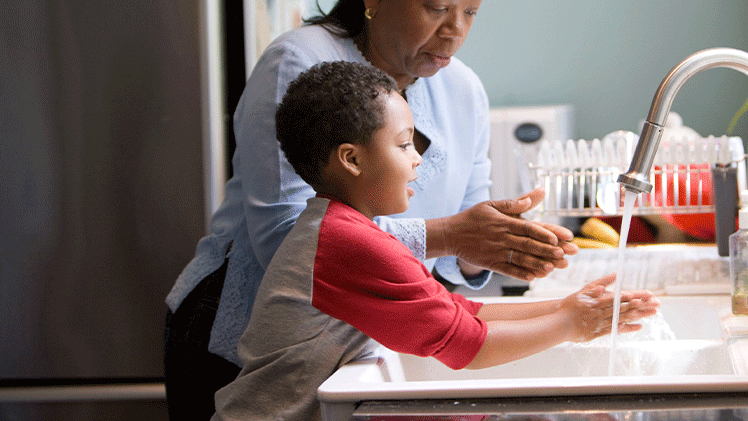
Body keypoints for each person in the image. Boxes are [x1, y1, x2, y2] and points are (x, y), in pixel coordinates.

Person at [164, 0, 579, 420]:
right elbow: (289, 241)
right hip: (241, 345)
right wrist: (451, 234)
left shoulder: (464, 90)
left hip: (351, 347)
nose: (456, 29)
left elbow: (458, 256)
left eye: (471, 11)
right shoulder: (300, 61)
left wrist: (500, 243)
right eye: (438, 7)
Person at [210, 61, 659, 421]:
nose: (418, 158)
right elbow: (469, 344)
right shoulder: (346, 242)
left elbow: (460, 311)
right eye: (404, 144)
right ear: (352, 159)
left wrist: (565, 307)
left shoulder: (341, 229)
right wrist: (571, 325)